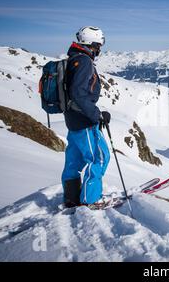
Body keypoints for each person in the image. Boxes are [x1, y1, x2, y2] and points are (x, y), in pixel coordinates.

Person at [61, 26, 112, 208]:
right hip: (83, 121)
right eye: (98, 45)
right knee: (99, 157)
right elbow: (78, 92)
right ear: (92, 44)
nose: (99, 49)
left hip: (72, 119)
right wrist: (96, 115)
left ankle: (71, 198)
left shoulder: (73, 59)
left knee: (74, 160)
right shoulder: (83, 62)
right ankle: (91, 200)